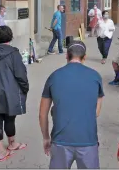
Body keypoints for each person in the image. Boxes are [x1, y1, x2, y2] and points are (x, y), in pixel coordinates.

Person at [39, 40, 104, 169]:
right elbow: (96, 112)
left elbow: (42, 114)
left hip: (60, 140)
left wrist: (46, 138)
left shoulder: (54, 76)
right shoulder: (95, 76)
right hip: (88, 139)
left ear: (66, 56)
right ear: (84, 57)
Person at [0, 25, 29, 162]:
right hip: (9, 91)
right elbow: (21, 75)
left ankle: (1, 151)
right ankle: (12, 143)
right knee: (9, 118)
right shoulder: (14, 53)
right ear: (11, 37)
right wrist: (25, 88)